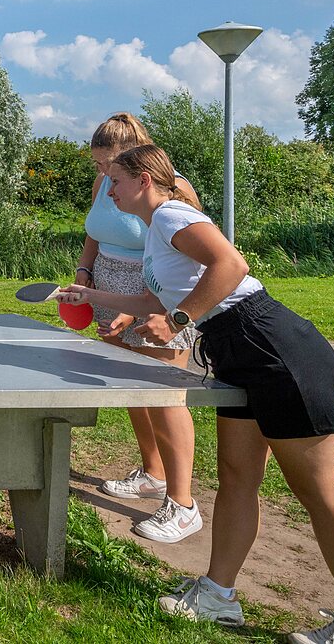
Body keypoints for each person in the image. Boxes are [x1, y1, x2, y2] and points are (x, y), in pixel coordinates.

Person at [59, 144, 334, 644]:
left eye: (115, 180)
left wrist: (180, 319)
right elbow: (154, 297)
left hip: (276, 351)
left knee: (318, 493)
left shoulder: (170, 214)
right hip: (241, 356)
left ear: (143, 179)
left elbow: (231, 263)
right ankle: (217, 595)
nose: (109, 188)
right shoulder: (156, 233)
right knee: (235, 479)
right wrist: (93, 296)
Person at [74, 112, 202, 543]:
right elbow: (94, 232)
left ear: (133, 159)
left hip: (160, 299)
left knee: (165, 396)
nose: (101, 175)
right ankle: (153, 474)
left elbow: (198, 257)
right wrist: (85, 273)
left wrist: (168, 311)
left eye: (105, 165)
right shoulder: (107, 183)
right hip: (113, 293)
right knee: (132, 389)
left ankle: (182, 503)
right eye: (97, 167)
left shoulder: (175, 191)